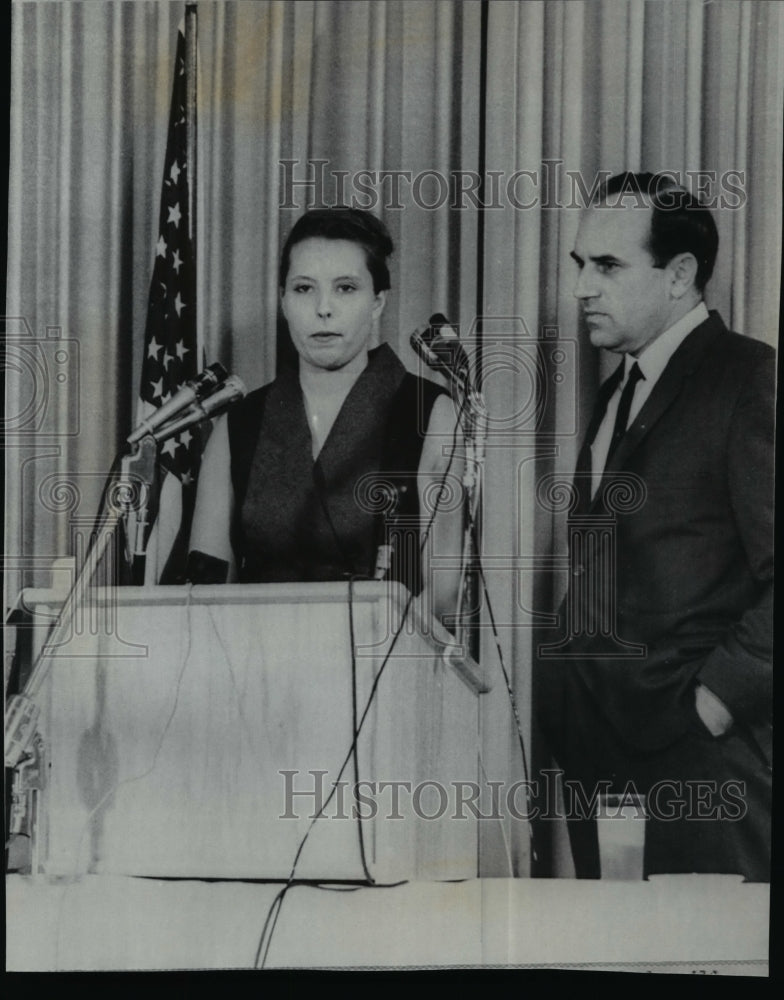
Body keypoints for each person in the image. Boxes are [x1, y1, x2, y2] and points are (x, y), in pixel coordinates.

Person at [534, 172, 773, 881]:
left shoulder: (749, 380)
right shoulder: (618, 391)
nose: (582, 287)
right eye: (580, 264)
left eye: (607, 265)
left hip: (704, 768)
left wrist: (714, 707)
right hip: (602, 769)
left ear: (680, 276)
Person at [187, 207, 464, 628]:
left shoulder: (429, 412)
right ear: (282, 300)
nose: (323, 309)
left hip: (383, 670)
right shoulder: (239, 423)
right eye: (303, 289)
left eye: (346, 288)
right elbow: (205, 585)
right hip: (254, 671)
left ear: (377, 302)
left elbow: (443, 592)